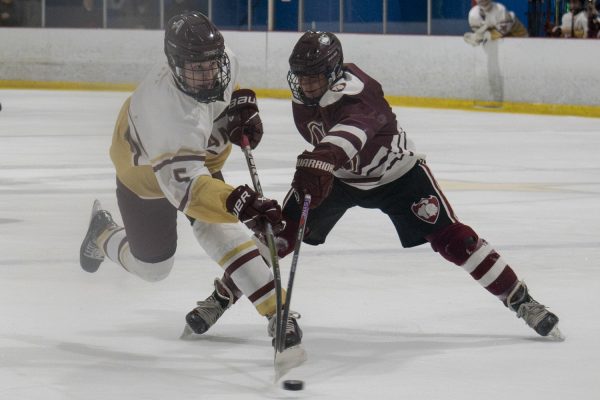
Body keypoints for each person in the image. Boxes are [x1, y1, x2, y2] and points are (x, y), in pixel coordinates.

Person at [213, 31, 563, 340]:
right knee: (277, 234)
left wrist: (324, 157)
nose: (306, 86)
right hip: (337, 179)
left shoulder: (361, 93)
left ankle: (520, 299)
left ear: (334, 73)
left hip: (396, 176)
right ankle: (222, 296)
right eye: (301, 78)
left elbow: (354, 129)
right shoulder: (307, 95)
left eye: (314, 79)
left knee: (456, 241)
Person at [79, 11, 302, 349]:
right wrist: (236, 203)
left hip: (192, 162)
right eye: (196, 69)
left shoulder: (219, 61)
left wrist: (240, 110)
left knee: (218, 228)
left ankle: (277, 312)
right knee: (154, 269)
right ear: (173, 65)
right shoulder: (165, 111)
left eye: (212, 65)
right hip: (145, 177)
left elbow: (227, 94)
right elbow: (191, 190)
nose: (208, 75)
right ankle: (103, 234)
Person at [464, 0, 528, 46]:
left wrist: (484, 36)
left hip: (518, 37)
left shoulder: (500, 10)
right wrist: (477, 38)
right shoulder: (473, 15)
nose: (483, 1)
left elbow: (501, 32)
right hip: (498, 41)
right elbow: (480, 36)